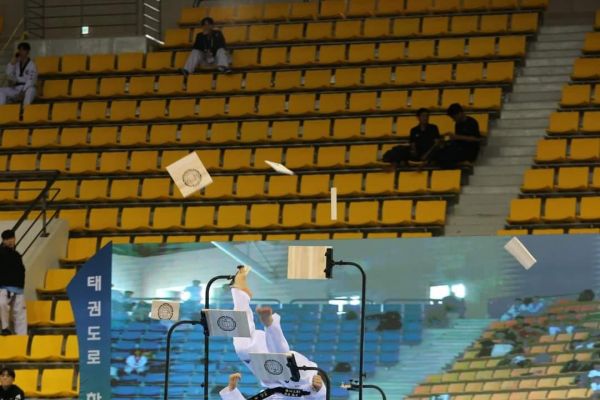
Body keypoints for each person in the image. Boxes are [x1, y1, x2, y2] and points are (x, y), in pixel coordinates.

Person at [220, 266, 326, 400]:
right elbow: (319, 396)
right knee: (280, 359)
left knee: (242, 349)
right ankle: (270, 325)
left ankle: (240, 293)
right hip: (301, 380)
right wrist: (318, 389)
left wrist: (231, 391)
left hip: (271, 379)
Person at [436, 103, 482, 167]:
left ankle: (463, 163)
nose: (453, 119)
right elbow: (456, 138)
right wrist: (445, 138)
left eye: (454, 117)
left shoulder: (472, 122)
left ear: (459, 113)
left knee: (443, 159)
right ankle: (461, 162)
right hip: (459, 148)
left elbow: (477, 139)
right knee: (438, 155)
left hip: (469, 150)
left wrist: (457, 137)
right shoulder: (458, 124)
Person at [0, 230, 27, 336]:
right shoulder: (1, 253)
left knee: (20, 313)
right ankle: (5, 328)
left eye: (12, 238)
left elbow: (21, 271)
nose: (10, 241)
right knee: (2, 304)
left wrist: (21, 285)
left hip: (18, 288)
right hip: (4, 287)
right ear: (3, 241)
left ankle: (22, 336)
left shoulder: (17, 255)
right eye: (7, 239)